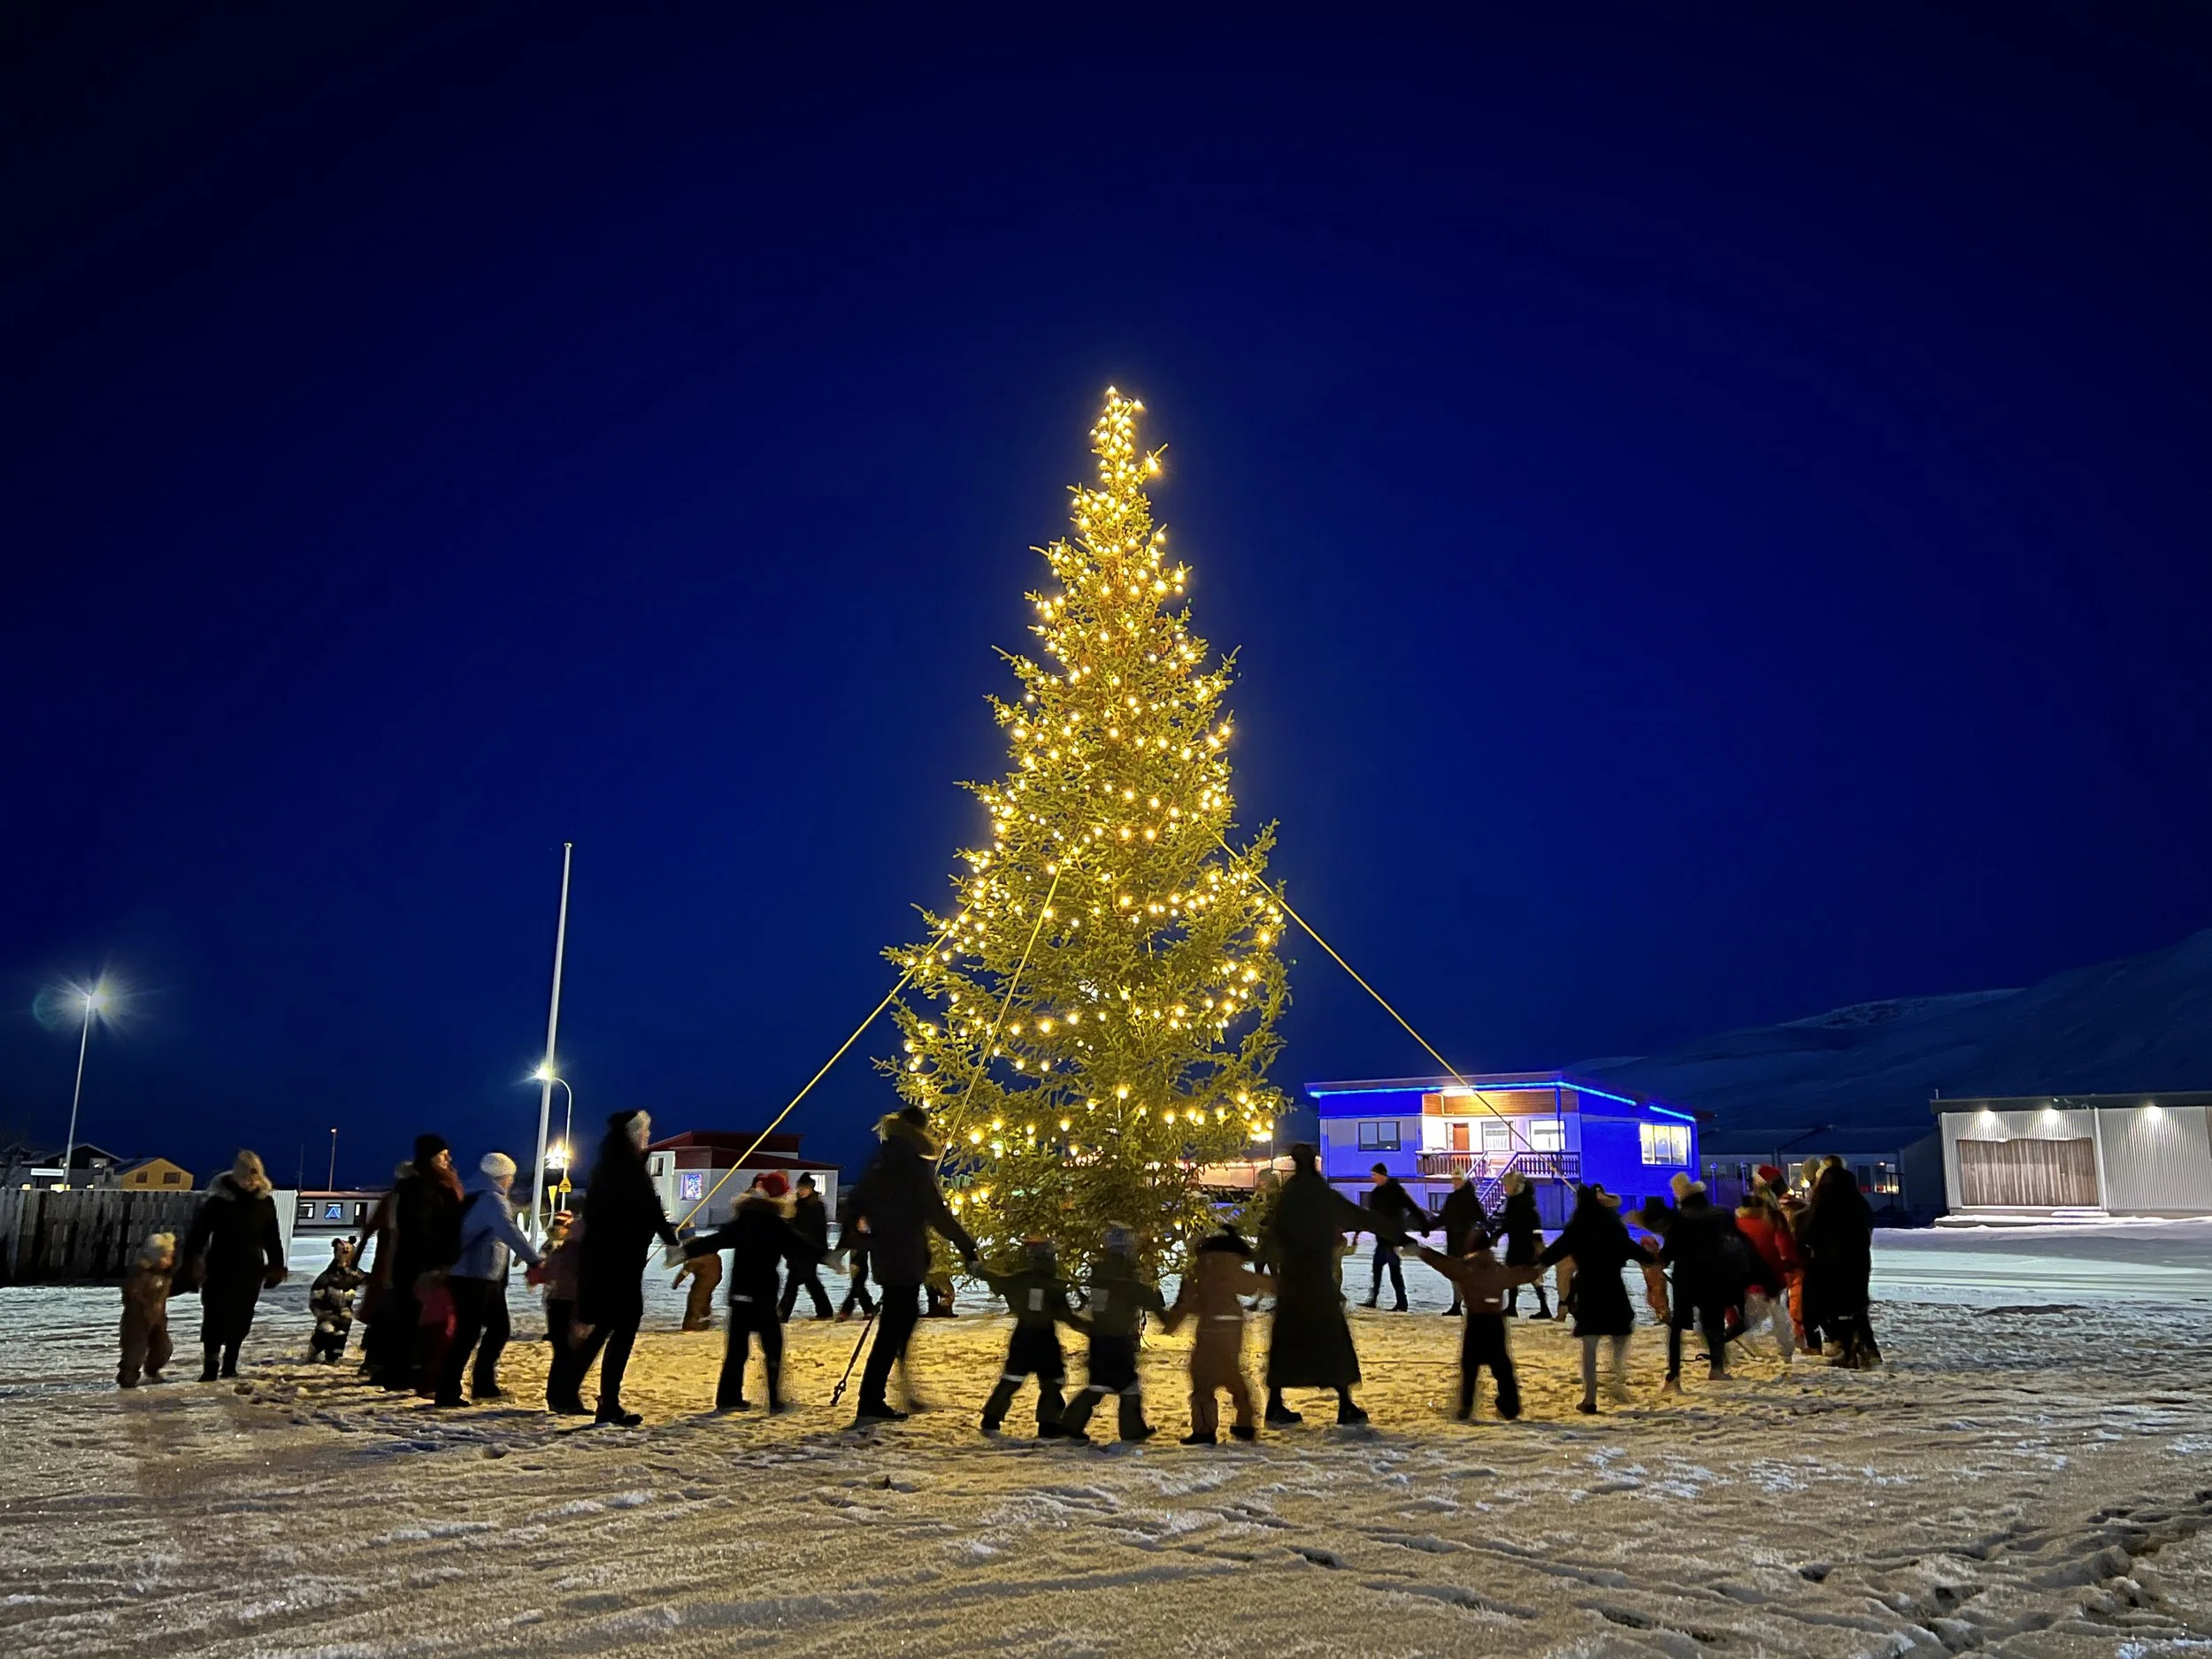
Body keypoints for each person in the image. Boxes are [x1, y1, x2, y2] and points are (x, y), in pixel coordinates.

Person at [844, 1107, 978, 1425]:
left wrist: (856, 1241)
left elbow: (855, 1202)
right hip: (905, 1257)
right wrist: (967, 1247)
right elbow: (937, 1214)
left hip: (887, 1257)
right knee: (894, 1328)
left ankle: (888, 1389)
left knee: (898, 1324)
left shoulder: (879, 1162)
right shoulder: (912, 1168)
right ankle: (873, 1398)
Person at [1262, 1142, 1391, 1426]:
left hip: (1293, 1282)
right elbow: (1357, 1216)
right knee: (1332, 1342)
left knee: (1287, 1342)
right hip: (1318, 1282)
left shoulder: (1288, 1197)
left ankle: (1274, 1404)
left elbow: (1273, 1233)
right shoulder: (1321, 1195)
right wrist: (1395, 1229)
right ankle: (1345, 1404)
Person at [572, 1110, 685, 1425]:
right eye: (645, 1130)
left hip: (610, 1259)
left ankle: (575, 1387)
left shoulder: (609, 1166)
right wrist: (671, 1242)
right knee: (621, 1328)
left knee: (609, 1326)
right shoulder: (627, 1168)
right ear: (632, 1133)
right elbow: (648, 1207)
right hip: (619, 1262)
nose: (648, 1135)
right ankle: (603, 1400)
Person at [681, 1171, 799, 1411]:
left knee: (736, 1350)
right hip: (763, 1294)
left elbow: (716, 1240)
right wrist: (826, 1256)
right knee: (772, 1346)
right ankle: (775, 1398)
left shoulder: (745, 1218)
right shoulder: (775, 1224)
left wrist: (685, 1252)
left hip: (740, 1293)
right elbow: (799, 1247)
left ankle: (728, 1397)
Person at [435, 1152, 544, 1408]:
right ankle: (450, 1391)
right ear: (502, 1176)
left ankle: (482, 1385)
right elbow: (509, 1231)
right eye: (510, 1178)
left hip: (481, 1276)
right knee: (470, 1333)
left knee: (494, 1329)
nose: (511, 1183)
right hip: (474, 1276)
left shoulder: (473, 1194)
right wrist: (535, 1260)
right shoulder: (491, 1200)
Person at [1539, 1185, 1660, 1414]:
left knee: (1590, 1346)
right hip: (1613, 1286)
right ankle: (1616, 1377)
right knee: (1620, 1335)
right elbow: (1629, 1247)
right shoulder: (1613, 1226)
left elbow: (1558, 1249)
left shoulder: (1578, 1227)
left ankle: (1590, 1398)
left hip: (1589, 1288)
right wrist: (1650, 1259)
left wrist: (1537, 1265)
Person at [176, 1150, 286, 1380]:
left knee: (242, 1316)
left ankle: (230, 1364)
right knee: (215, 1315)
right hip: (220, 1267)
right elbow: (199, 1234)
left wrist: (276, 1265)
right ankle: (211, 1365)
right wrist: (192, 1261)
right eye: (247, 1175)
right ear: (238, 1175)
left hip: (250, 1269)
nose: (251, 1181)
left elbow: (272, 1237)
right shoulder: (219, 1202)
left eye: (255, 1176)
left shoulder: (264, 1203)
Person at [1161, 1226, 1272, 1444]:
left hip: (1210, 1326)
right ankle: (1245, 1424)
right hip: (1233, 1324)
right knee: (1233, 1374)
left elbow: (1188, 1302)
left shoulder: (1197, 1270)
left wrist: (1171, 1325)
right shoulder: (1235, 1269)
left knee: (1203, 1379)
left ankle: (1204, 1429)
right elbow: (1254, 1286)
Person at [1415, 1233, 1542, 1419]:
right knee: (1502, 1367)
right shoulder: (1497, 1269)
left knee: (1470, 1366)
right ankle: (1510, 1405)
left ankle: (1467, 1405)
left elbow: (1442, 1263)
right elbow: (1519, 1275)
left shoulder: (1466, 1268)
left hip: (1476, 1321)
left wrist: (1420, 1251)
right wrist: (1539, 1267)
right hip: (1495, 1322)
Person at [1058, 1222, 1164, 1443]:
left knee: (1102, 1384)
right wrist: (1151, 1293)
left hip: (1101, 1337)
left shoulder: (1101, 1274)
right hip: (1118, 1339)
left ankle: (1072, 1423)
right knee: (1126, 1387)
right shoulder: (1123, 1276)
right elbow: (1144, 1296)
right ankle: (1129, 1431)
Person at [977, 1236, 1089, 1438]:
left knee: (1011, 1379)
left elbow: (996, 1278)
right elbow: (1065, 1315)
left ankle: (991, 1417)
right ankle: (1048, 1423)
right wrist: (1090, 1328)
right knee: (1052, 1382)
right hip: (1044, 1340)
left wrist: (978, 1269)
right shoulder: (1053, 1285)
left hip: (1023, 1337)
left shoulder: (1019, 1280)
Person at [379, 1135, 465, 1392]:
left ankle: (410, 1371)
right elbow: (420, 1228)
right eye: (442, 1155)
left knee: (423, 1318)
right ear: (429, 1158)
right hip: (418, 1264)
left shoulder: (438, 1183)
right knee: (413, 1317)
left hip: (426, 1262)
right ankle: (404, 1373)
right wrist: (436, 1261)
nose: (448, 1159)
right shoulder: (419, 1187)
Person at [1658, 1173, 1751, 1393]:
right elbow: (1740, 1241)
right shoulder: (1720, 1214)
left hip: (1686, 1277)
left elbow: (1667, 1254)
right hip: (1715, 1274)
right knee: (1714, 1322)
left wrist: (1654, 1256)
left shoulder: (1680, 1221)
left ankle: (1674, 1377)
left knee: (1678, 1327)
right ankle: (1716, 1368)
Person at [1805, 1161, 1880, 1368]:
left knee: (1834, 1309)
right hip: (1858, 1262)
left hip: (1829, 1264)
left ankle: (1848, 1349)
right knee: (1857, 1306)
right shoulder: (1859, 1204)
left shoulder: (1823, 1206)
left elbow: (1810, 1234)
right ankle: (1867, 1350)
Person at [1732, 1180, 1801, 1363]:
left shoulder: (1739, 1220)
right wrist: (1791, 1262)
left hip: (1746, 1272)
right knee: (1778, 1313)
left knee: (1755, 1312)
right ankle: (1785, 1351)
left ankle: (1739, 1336)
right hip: (1772, 1271)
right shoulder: (1774, 1218)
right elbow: (1785, 1246)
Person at [534, 1211, 588, 1412]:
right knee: (570, 1353)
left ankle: (556, 1397)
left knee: (562, 1352)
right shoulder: (577, 1252)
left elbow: (547, 1274)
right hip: (569, 1304)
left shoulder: (561, 1251)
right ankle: (565, 1399)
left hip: (556, 1303)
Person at [1359, 1163, 1427, 1311]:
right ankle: (1374, 1299)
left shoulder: (1396, 1191)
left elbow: (1412, 1207)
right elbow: (1372, 1215)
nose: (1373, 1178)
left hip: (1392, 1238)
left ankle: (1402, 1302)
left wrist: (1424, 1224)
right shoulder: (1376, 1193)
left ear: (1383, 1175)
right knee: (1377, 1269)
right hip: (1382, 1238)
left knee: (1394, 1271)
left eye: (1375, 1175)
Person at [118, 1231, 176, 1388]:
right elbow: (131, 1294)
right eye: (166, 1256)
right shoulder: (140, 1274)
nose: (169, 1260)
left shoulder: (165, 1275)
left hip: (157, 1321)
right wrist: (142, 1306)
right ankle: (127, 1379)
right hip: (137, 1322)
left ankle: (152, 1371)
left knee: (163, 1349)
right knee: (134, 1353)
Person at [780, 1172, 834, 1321]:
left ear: (811, 1189)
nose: (802, 1191)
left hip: (810, 1249)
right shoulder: (796, 1205)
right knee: (809, 1281)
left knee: (795, 1282)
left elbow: (819, 1229)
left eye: (805, 1188)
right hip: (798, 1249)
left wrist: (820, 1247)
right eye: (800, 1188)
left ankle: (783, 1313)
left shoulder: (816, 1206)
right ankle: (825, 1310)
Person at [1499, 1171, 1552, 1318]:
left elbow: (1532, 1224)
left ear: (1515, 1186)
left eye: (1507, 1185)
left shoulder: (1523, 1203)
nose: (1505, 1188)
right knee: (1515, 1275)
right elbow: (1508, 1223)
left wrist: (1537, 1240)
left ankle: (1543, 1308)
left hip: (1525, 1244)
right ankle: (1513, 1307)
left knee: (1529, 1275)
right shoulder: (1516, 1202)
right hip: (1517, 1242)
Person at [1437, 1171, 1487, 1317]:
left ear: (1464, 1180)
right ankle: (1457, 1304)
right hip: (1453, 1241)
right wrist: (1428, 1226)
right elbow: (1444, 1217)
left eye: (1458, 1179)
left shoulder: (1470, 1198)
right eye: (1454, 1179)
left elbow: (1481, 1217)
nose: (1455, 1182)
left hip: (1467, 1243)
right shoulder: (1452, 1198)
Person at [309, 1238, 364, 1363]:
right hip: (327, 1315)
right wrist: (320, 1313)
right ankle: (314, 1352)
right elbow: (315, 1298)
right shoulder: (326, 1277)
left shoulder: (355, 1274)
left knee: (336, 1348)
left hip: (344, 1316)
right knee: (324, 1335)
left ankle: (330, 1359)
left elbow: (369, 1281)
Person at [834, 1212, 876, 1321]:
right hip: (855, 1258)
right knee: (858, 1283)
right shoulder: (852, 1230)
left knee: (857, 1284)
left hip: (861, 1258)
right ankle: (867, 1308)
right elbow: (845, 1241)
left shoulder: (869, 1233)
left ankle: (847, 1309)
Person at [673, 1247, 722, 1332]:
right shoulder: (715, 1257)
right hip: (713, 1282)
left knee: (695, 1304)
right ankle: (705, 1324)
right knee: (705, 1302)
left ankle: (692, 1327)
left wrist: (676, 1283)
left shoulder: (695, 1259)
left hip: (703, 1284)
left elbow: (684, 1273)